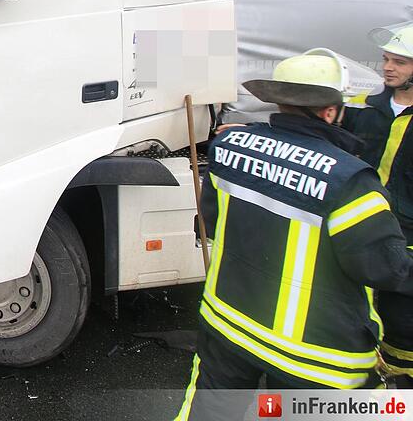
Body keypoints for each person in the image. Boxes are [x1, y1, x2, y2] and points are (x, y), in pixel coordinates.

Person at [174, 49, 413, 420]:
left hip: (228, 323)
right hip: (316, 355)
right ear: (332, 112)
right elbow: (386, 270)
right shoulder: (351, 182)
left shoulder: (228, 147)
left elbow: (210, 220)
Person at [342, 23, 413, 385]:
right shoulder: (364, 107)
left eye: (400, 62)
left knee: (403, 325)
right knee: (357, 314)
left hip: (407, 239)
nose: (388, 68)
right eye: (386, 59)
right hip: (360, 232)